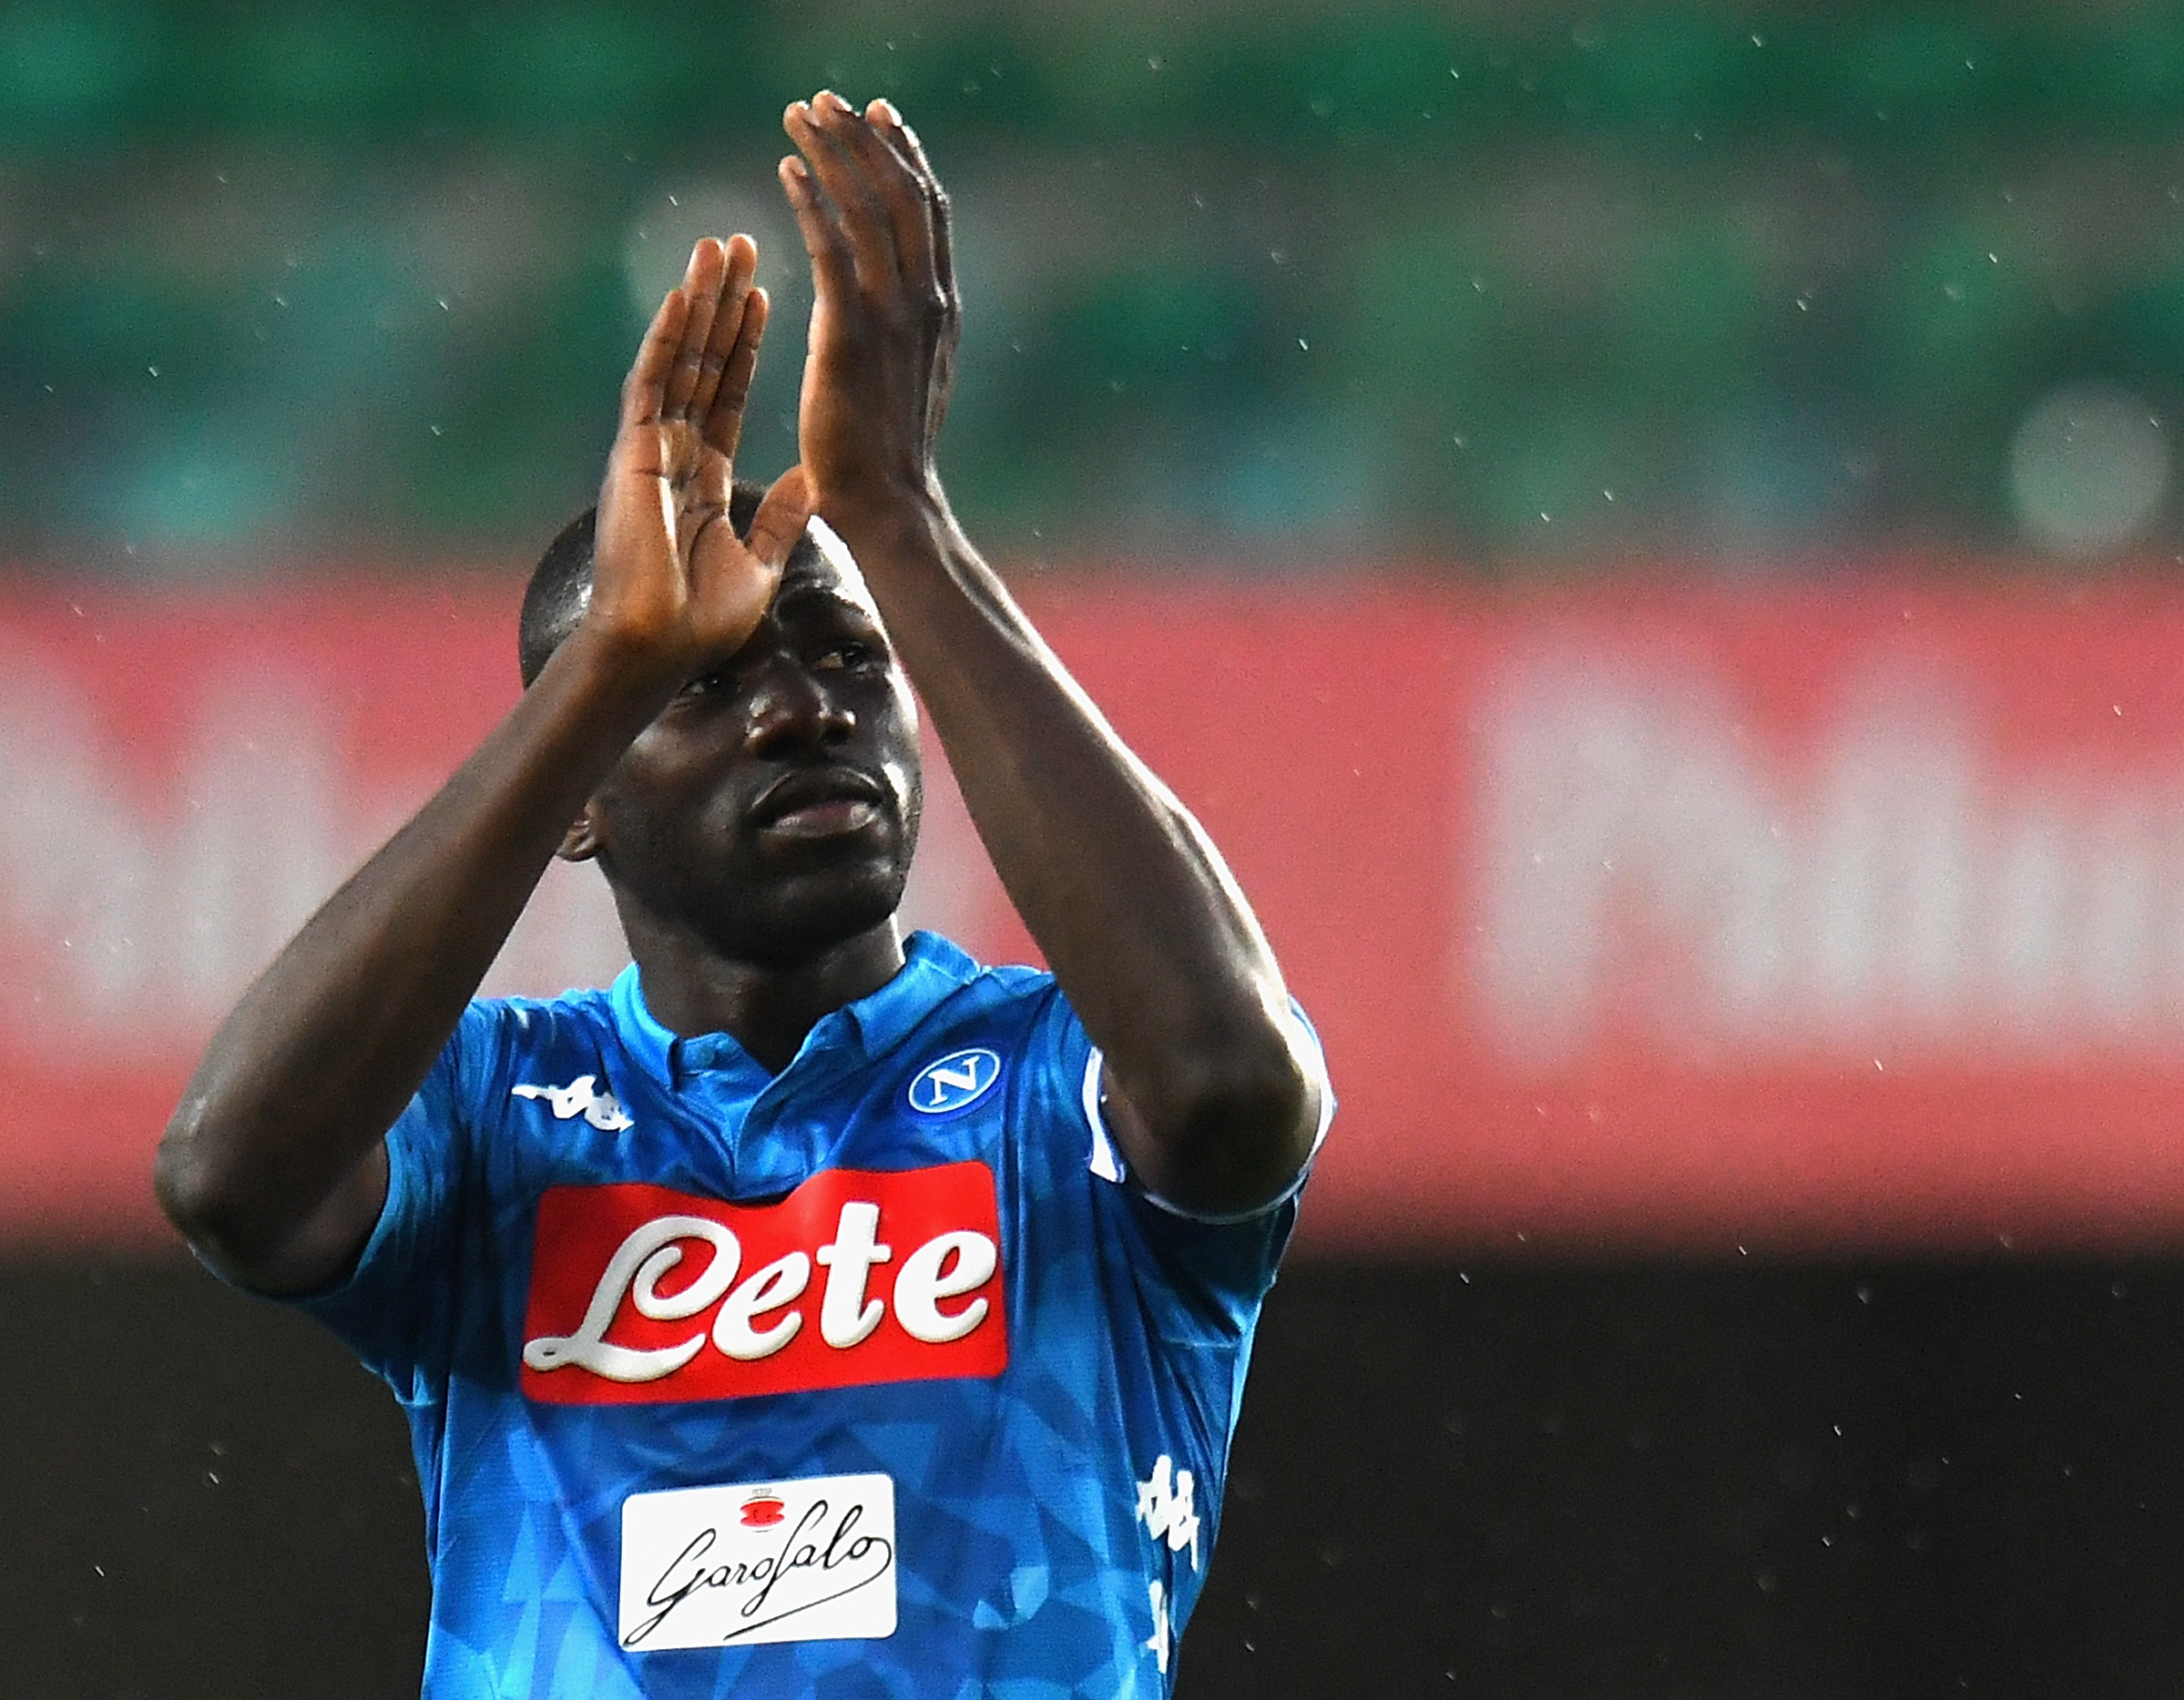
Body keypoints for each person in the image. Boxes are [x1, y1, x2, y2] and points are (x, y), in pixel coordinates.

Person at [152, 90, 1329, 1697]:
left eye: (849, 660)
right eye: (713, 685)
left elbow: (1238, 1087)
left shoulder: (1058, 1085)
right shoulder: (494, 1118)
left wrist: (901, 524)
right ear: (579, 805)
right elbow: (231, 1176)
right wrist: (618, 653)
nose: (802, 707)